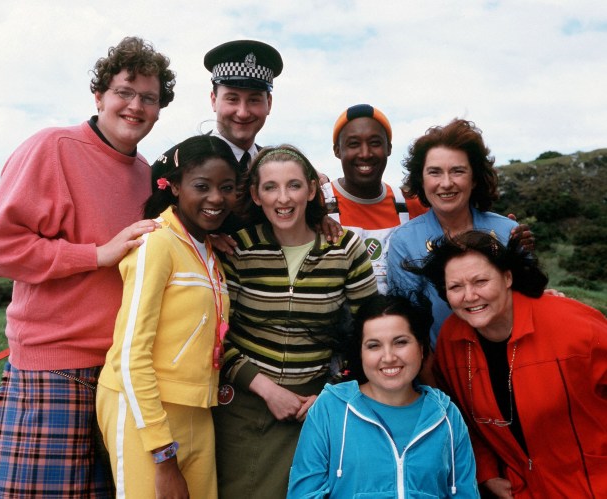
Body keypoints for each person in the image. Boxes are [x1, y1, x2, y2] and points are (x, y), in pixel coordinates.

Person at [0, 37, 175, 497]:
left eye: (149, 97)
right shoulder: (53, 148)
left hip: (119, 371)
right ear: (99, 96)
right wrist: (95, 254)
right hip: (55, 368)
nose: (135, 105)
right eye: (125, 91)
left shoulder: (147, 174)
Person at [213, 145, 379, 498]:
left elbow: (373, 331)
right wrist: (267, 389)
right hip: (245, 402)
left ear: (311, 190)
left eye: (293, 185)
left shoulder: (345, 248)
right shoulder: (239, 250)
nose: (283, 198)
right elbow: (217, 335)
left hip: (315, 406)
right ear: (256, 195)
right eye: (270, 187)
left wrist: (332, 390)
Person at [415, 230, 607, 498]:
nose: (469, 296)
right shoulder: (451, 340)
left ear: (507, 277)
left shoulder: (575, 326)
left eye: (480, 281)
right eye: (456, 287)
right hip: (521, 490)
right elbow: (459, 418)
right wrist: (486, 471)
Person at [96, 135, 238, 498]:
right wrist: (163, 454)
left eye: (227, 188)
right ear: (174, 186)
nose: (216, 198)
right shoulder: (156, 243)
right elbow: (130, 356)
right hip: (144, 414)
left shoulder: (209, 250)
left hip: (198, 412)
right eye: (202, 186)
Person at [288, 293, 479, 498]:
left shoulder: (447, 415)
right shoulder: (329, 409)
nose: (388, 357)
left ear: (422, 348)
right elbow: (303, 494)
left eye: (400, 342)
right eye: (374, 346)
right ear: (360, 353)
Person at [387, 118, 525, 349]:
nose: (446, 183)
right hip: (442, 367)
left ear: (474, 178)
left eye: (458, 171)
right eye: (435, 173)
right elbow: (406, 320)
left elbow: (528, 299)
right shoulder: (404, 241)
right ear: (421, 180)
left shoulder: (507, 231)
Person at [329, 104, 428, 294]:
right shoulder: (315, 203)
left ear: (389, 148)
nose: (365, 154)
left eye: (375, 143)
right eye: (353, 144)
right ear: (337, 150)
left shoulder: (412, 204)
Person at [204, 39, 283, 173]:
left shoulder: (278, 171)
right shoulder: (181, 164)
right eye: (232, 99)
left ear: (269, 104)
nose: (243, 113)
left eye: (254, 100)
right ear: (213, 100)